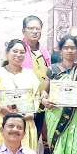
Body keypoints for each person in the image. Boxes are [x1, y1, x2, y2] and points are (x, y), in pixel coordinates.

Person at [0, 39, 40, 151]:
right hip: (4, 120)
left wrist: (31, 113)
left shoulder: (30, 74)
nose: (18, 55)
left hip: (25, 121)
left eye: (22, 52)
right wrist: (1, 108)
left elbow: (36, 96)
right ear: (7, 53)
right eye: (15, 51)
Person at [21, 15, 52, 144]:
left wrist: (46, 92)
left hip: (41, 105)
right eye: (31, 28)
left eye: (37, 29)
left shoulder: (45, 52)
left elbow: (49, 76)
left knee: (34, 140)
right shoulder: (19, 50)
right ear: (23, 30)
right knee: (22, 141)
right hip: (23, 104)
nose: (35, 31)